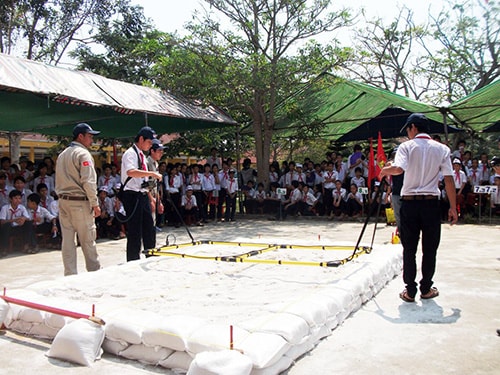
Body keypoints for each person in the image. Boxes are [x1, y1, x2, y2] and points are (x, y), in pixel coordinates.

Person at [380, 113, 458, 303]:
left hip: (410, 203)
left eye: (408, 129)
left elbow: (398, 169)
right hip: (431, 203)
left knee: (409, 248)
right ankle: (426, 288)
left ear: (413, 127)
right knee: (430, 248)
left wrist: (384, 170)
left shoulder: (406, 147)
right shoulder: (442, 149)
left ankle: (410, 290)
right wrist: (453, 208)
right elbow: (448, 179)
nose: (408, 133)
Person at [55, 123, 102, 276]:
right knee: (87, 240)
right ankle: (94, 272)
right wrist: (95, 203)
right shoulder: (83, 154)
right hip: (79, 202)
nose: (91, 140)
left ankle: (70, 274)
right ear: (80, 136)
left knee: (68, 241)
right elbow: (88, 181)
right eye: (89, 136)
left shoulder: (63, 154)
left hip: (63, 201)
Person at [120, 126, 162, 261]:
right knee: (135, 230)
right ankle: (133, 259)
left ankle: (151, 253)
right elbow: (131, 172)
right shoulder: (130, 154)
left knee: (149, 226)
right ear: (141, 139)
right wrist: (151, 173)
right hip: (132, 194)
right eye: (149, 142)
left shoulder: (142, 155)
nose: (150, 145)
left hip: (142, 193)